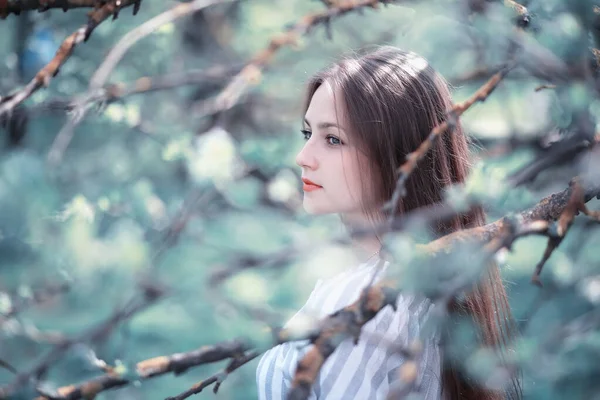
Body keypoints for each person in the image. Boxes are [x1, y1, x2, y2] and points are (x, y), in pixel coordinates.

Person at [256, 46, 521, 400]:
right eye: (308, 134)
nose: (303, 157)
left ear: (396, 153)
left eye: (333, 139)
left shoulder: (367, 302)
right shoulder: (422, 286)